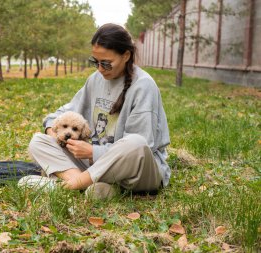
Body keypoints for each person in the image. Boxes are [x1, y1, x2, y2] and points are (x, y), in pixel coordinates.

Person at [20, 23, 170, 199]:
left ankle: (71, 185)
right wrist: (53, 132)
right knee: (38, 141)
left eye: (106, 63)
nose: (100, 69)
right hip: (96, 165)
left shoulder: (143, 86)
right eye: (95, 62)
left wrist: (93, 152)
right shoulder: (95, 79)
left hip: (139, 172)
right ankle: (97, 186)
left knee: (135, 142)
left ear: (126, 55)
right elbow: (60, 115)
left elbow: (142, 146)